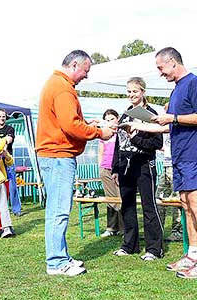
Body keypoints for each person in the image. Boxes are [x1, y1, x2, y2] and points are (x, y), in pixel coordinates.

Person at [129, 47, 197, 279]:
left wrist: (173, 117)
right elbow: (170, 125)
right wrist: (139, 125)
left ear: (172, 62)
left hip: (196, 155)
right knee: (186, 205)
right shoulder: (177, 90)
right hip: (179, 157)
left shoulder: (196, 84)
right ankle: (193, 255)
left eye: (160, 68)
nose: (160, 73)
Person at [36, 50, 114, 277]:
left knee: (56, 209)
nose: (86, 76)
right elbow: (70, 126)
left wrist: (85, 124)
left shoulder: (55, 84)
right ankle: (56, 262)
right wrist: (100, 132)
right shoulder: (62, 88)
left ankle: (60, 255)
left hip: (53, 154)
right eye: (85, 71)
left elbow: (66, 123)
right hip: (58, 156)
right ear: (74, 65)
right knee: (59, 211)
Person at [111, 77, 164, 261]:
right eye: (128, 91)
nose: (131, 95)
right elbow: (118, 143)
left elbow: (157, 142)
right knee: (128, 206)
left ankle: (154, 248)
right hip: (126, 166)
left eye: (134, 91)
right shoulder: (125, 115)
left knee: (149, 206)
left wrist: (136, 139)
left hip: (144, 165)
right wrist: (115, 168)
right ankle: (129, 245)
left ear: (142, 92)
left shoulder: (150, 114)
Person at [0, 109, 21, 216]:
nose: (1, 118)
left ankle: (16, 209)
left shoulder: (10, 128)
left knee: (12, 186)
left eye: (3, 117)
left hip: (7, 161)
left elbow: (9, 139)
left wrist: (2, 145)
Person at [98, 109, 123, 237]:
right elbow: (100, 152)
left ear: (117, 118)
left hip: (118, 169)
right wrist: (100, 167)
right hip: (105, 168)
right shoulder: (104, 135)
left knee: (120, 198)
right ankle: (112, 227)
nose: (110, 122)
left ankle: (124, 228)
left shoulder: (121, 133)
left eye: (112, 119)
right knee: (110, 199)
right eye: (107, 120)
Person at [156, 131, 182, 242]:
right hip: (166, 165)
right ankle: (157, 230)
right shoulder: (164, 124)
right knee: (159, 198)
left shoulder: (176, 120)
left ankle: (178, 231)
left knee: (176, 200)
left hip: (176, 165)